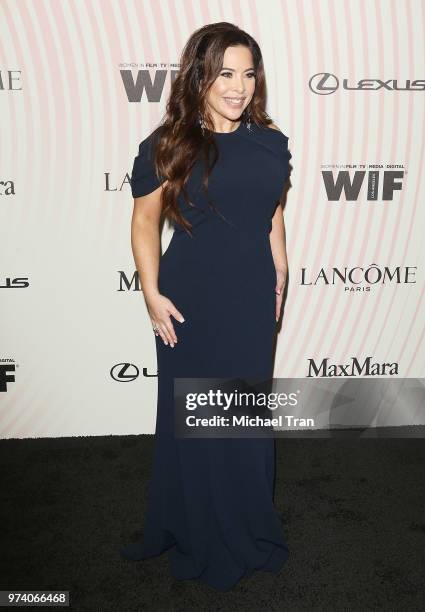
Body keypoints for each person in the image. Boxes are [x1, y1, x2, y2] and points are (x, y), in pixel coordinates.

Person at [120, 22, 292, 592]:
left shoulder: (272, 143)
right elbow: (145, 223)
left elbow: (272, 216)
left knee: (242, 416)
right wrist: (151, 293)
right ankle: (195, 526)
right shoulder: (169, 145)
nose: (238, 87)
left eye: (247, 74)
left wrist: (282, 267)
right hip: (190, 298)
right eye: (225, 74)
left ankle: (246, 523)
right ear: (200, 76)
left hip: (249, 294)